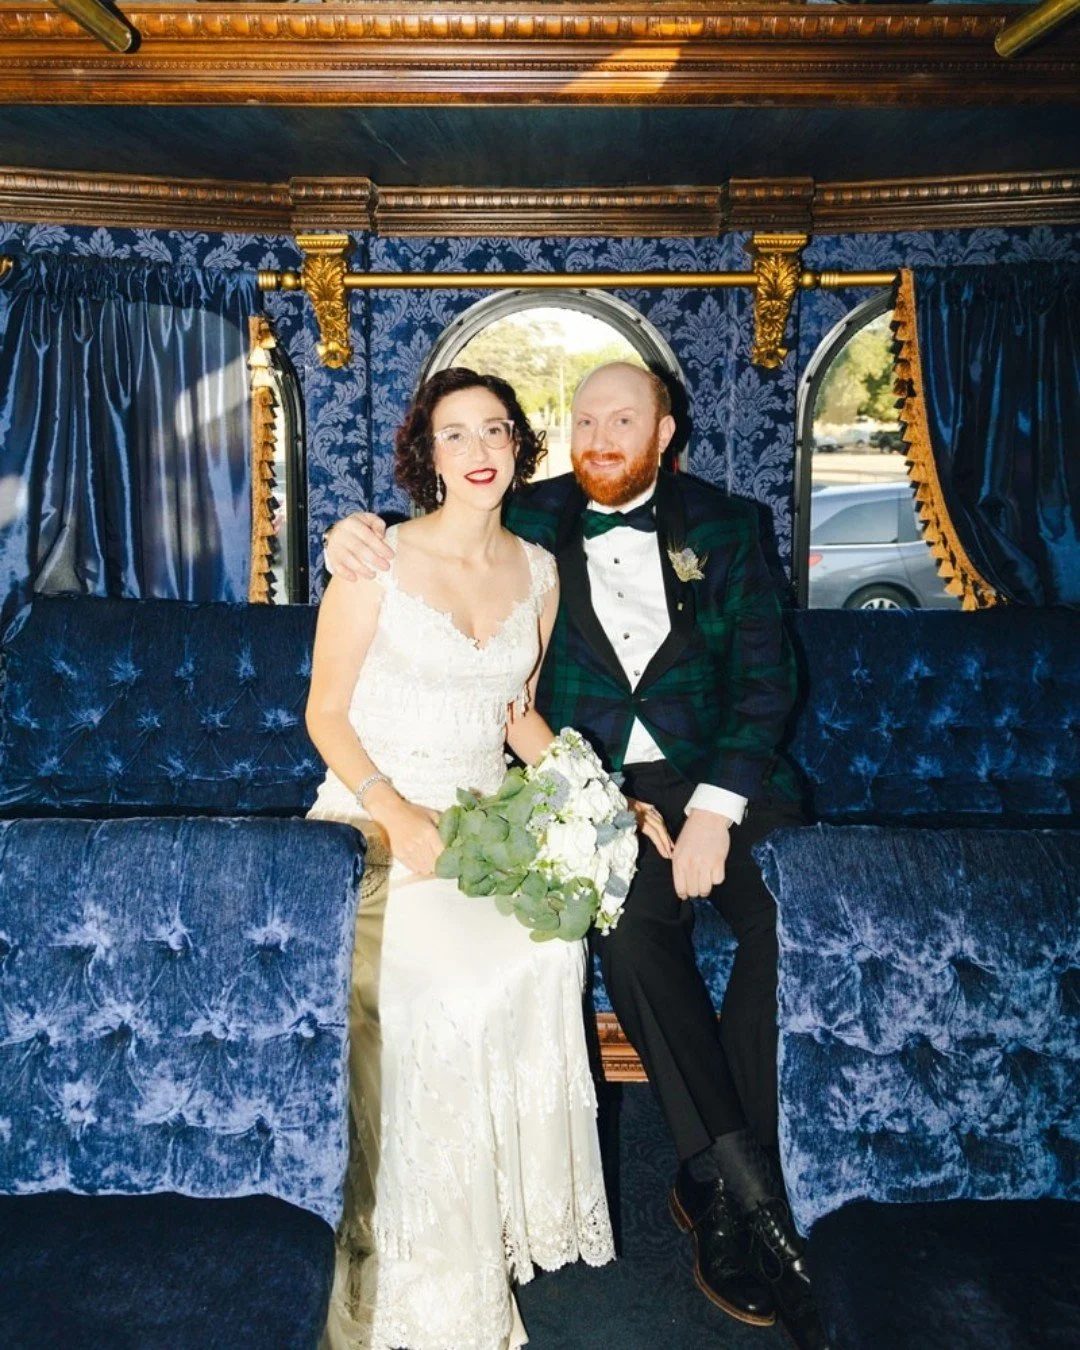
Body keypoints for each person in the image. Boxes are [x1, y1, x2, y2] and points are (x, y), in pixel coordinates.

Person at [324, 361, 829, 1350]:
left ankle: (718, 1171)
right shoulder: (532, 515)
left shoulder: (727, 526)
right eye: (583, 416)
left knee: (786, 919)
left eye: (623, 417)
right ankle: (743, 1197)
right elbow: (431, 517)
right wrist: (352, 528)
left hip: (726, 781)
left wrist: (718, 813)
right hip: (602, 790)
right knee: (636, 929)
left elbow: (766, 684)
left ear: (667, 429)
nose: (600, 433)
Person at [305, 367, 623, 1350]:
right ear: (425, 455)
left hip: (483, 824)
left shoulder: (538, 571)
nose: (480, 449)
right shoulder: (375, 562)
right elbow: (323, 715)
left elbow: (517, 715)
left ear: (518, 448)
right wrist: (398, 813)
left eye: (496, 430)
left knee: (549, 949)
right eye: (456, 435)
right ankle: (413, 1290)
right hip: (372, 817)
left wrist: (594, 797)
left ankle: (477, 1235)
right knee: (444, 991)